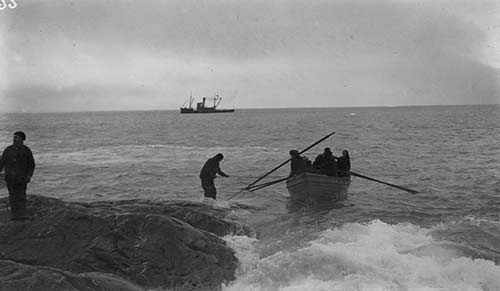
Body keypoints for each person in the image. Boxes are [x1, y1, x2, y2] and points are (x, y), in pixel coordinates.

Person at [0, 131, 36, 221]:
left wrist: (29, 176)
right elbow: (1, 163)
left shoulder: (26, 150)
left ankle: (22, 215)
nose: (14, 139)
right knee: (12, 197)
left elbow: (31, 164)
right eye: (14, 137)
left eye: (16, 137)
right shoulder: (8, 150)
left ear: (22, 139)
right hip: (10, 179)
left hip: (21, 179)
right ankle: (15, 216)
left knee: (21, 197)